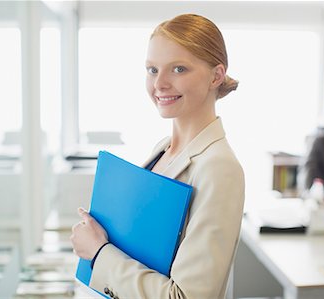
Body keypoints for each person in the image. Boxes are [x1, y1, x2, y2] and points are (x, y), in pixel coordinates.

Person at [70, 14, 245, 299]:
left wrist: (100, 253)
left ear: (216, 75)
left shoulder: (219, 167)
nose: (159, 84)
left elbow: (186, 296)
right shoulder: (164, 148)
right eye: (152, 70)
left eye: (178, 69)